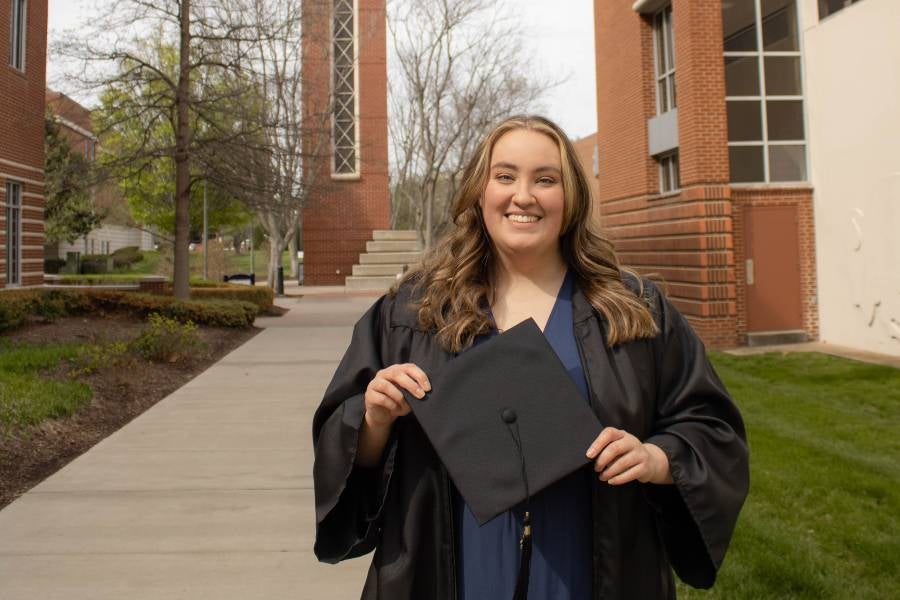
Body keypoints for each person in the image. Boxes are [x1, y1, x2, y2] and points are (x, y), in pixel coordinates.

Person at [312, 115, 749, 599]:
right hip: (453, 576)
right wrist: (374, 419)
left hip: (593, 574)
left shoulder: (634, 311)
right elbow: (343, 440)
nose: (524, 196)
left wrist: (655, 458)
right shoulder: (414, 313)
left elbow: (713, 430)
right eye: (505, 176)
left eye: (546, 179)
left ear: (572, 197)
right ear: (480, 192)